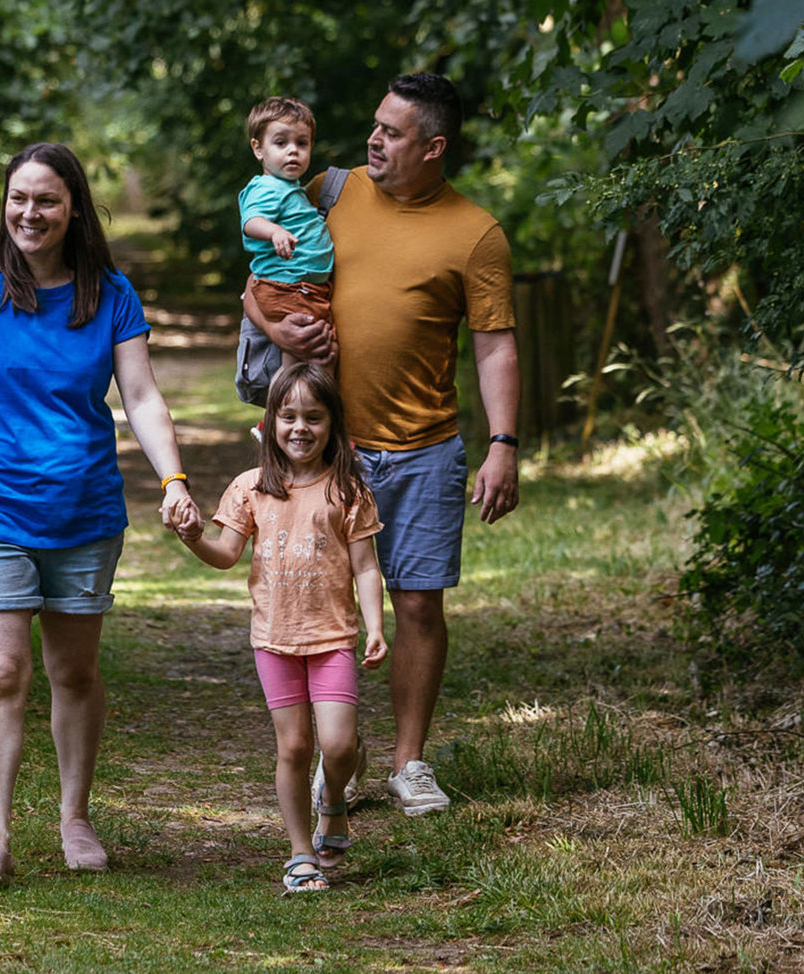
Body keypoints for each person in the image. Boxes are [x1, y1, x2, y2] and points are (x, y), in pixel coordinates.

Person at [0, 142, 201, 887]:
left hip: (82, 508)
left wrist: (173, 477)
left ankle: (73, 816)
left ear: (73, 211)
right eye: (18, 199)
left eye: (47, 201)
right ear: (4, 206)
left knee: (73, 669)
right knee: (1, 670)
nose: (29, 213)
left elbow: (142, 397)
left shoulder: (108, 294)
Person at [243, 73, 521, 817]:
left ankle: (408, 763)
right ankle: (341, 759)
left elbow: (495, 345)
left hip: (426, 448)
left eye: (392, 133)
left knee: (418, 606)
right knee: (327, 610)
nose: (373, 139)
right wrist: (274, 331)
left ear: (432, 147)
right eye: (375, 125)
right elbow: (257, 276)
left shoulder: (475, 234)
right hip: (331, 449)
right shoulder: (330, 189)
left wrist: (503, 444)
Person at [175, 363, 387, 892]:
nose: (300, 428)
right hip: (274, 639)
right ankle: (300, 853)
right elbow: (225, 554)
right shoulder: (251, 489)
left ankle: (332, 798)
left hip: (333, 637)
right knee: (293, 747)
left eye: (314, 417)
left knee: (337, 747)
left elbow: (365, 567)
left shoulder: (347, 491)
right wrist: (193, 538)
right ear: (269, 423)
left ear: (333, 425)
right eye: (288, 415)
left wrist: (377, 626)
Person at [234, 96, 337, 405]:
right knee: (308, 357)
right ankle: (283, 414)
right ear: (258, 148)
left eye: (302, 143)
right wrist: (275, 231)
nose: (293, 150)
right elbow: (251, 221)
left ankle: (293, 414)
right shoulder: (265, 188)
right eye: (281, 143)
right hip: (286, 287)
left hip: (302, 287)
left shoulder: (291, 189)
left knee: (316, 357)